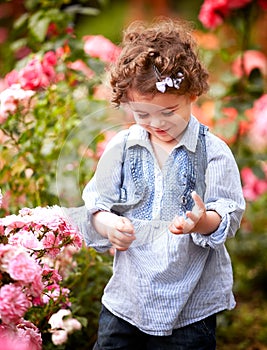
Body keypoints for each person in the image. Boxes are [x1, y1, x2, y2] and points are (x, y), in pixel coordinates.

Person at [81, 18, 246, 350]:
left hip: (190, 304)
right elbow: (96, 204)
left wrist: (203, 221)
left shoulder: (212, 152)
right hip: (128, 298)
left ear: (193, 94)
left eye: (169, 111)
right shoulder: (122, 148)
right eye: (143, 114)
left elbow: (227, 214)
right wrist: (108, 222)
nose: (156, 123)